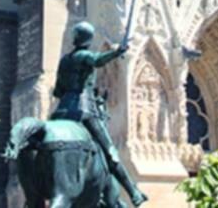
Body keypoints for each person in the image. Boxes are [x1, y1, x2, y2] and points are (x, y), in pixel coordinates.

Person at [51, 21, 148, 206]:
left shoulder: (64, 60)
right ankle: (133, 192)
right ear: (88, 39)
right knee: (110, 151)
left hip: (61, 112)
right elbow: (97, 60)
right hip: (83, 110)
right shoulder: (84, 56)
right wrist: (118, 52)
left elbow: (57, 91)